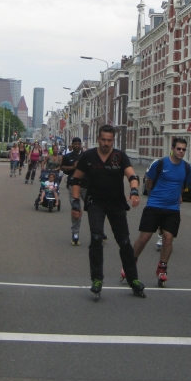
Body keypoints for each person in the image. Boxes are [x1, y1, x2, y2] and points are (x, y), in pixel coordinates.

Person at [70, 124, 145, 299]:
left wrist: (134, 191)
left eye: (109, 140)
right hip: (95, 203)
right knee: (96, 239)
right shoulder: (88, 156)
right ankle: (97, 279)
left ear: (113, 140)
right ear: (98, 139)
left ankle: (133, 279)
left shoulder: (120, 156)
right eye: (103, 140)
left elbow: (132, 176)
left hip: (116, 204)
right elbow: (76, 180)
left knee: (124, 242)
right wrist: (75, 203)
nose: (106, 143)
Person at [125, 137, 191, 287]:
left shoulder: (187, 168)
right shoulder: (160, 164)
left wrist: (177, 195)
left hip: (172, 208)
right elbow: (149, 182)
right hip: (154, 205)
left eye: (183, 149)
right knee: (144, 237)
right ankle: (130, 263)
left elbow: (183, 185)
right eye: (178, 149)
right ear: (172, 149)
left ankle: (162, 269)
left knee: (168, 238)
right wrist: (154, 197)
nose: (181, 152)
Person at [61, 137, 86, 245]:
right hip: (73, 185)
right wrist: (73, 167)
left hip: (85, 186)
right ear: (72, 145)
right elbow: (62, 168)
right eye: (75, 144)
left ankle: (98, 231)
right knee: (76, 208)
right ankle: (75, 234)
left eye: (78, 144)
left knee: (94, 208)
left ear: (81, 145)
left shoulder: (85, 156)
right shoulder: (67, 156)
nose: (77, 146)